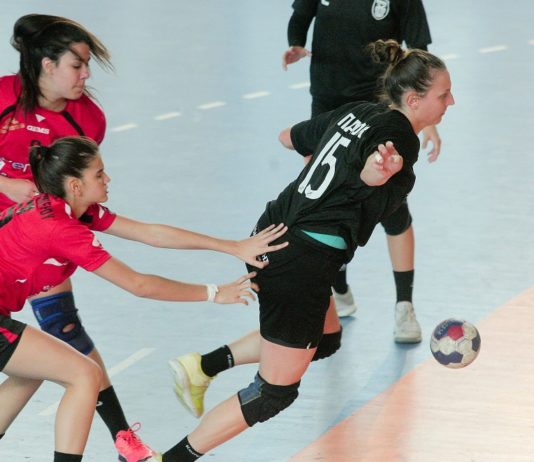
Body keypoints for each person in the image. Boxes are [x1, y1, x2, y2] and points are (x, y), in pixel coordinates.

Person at [159, 40, 454, 461]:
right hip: (301, 261)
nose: (451, 102)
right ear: (414, 100)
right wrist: (371, 175)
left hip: (269, 232)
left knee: (327, 338)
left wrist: (342, 164)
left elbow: (287, 137)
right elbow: (369, 178)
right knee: (273, 393)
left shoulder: (357, 111)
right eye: (444, 94)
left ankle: (202, 366)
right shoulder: (400, 141)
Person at [0, 136, 288, 462]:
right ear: (75, 186)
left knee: (33, 371)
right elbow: (139, 284)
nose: (108, 178)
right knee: (85, 374)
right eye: (99, 174)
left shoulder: (67, 209)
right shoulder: (60, 227)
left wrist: (232, 246)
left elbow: (150, 233)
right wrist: (213, 292)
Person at [282, 0, 441, 343]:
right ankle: (339, 289)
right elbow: (302, 14)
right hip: (327, 103)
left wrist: (426, 117)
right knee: (329, 202)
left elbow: (420, 51)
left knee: (393, 209)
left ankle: (404, 306)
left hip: (378, 109)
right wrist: (295, 43)